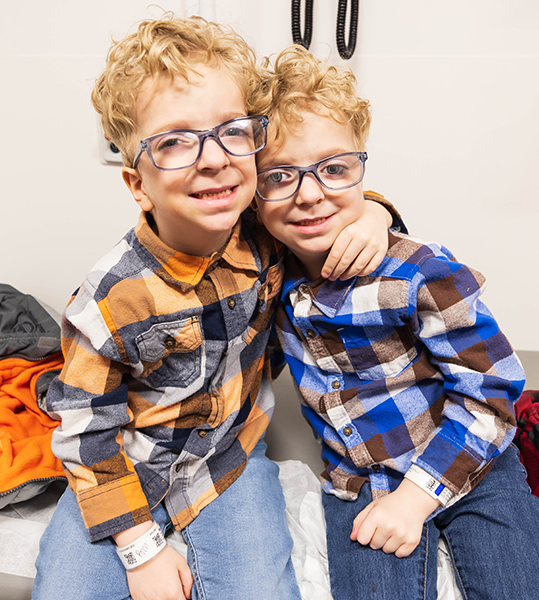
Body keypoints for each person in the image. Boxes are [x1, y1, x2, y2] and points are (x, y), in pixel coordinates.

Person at [32, 16, 398, 600]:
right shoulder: (108, 302)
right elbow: (85, 435)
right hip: (130, 468)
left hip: (232, 458)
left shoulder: (263, 232)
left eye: (232, 130)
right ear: (137, 184)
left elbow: (327, 193)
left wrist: (377, 212)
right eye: (175, 141)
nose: (213, 157)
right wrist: (141, 550)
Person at [250, 45, 539, 600]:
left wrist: (417, 498)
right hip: (360, 481)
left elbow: (492, 393)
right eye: (278, 175)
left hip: (470, 460)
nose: (309, 193)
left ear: (360, 168)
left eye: (333, 169)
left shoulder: (418, 271)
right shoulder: (266, 277)